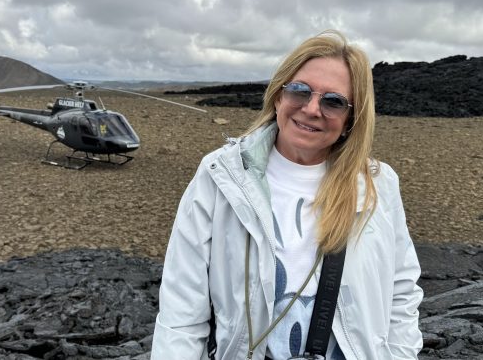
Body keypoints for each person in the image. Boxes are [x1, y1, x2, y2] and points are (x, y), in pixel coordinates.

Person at [151, 30, 423, 360]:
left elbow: (402, 293)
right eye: (299, 91)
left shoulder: (380, 186)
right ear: (278, 96)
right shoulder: (219, 176)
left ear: (351, 118)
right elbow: (181, 310)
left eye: (333, 101)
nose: (311, 109)